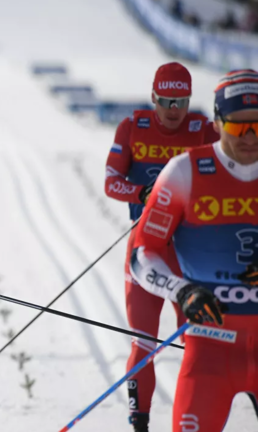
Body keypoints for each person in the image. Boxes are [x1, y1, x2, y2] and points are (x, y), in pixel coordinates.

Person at [129, 68, 258, 432]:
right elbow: (143, 255)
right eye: (238, 127)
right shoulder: (185, 173)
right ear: (217, 123)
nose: (250, 138)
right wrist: (181, 290)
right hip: (210, 349)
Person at [104, 62, 218, 432]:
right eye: (166, 101)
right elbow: (110, 180)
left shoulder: (203, 129)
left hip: (190, 250)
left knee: (199, 339)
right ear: (153, 97)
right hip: (145, 248)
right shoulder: (132, 127)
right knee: (143, 342)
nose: (173, 110)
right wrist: (141, 193)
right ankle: (140, 422)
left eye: (181, 101)